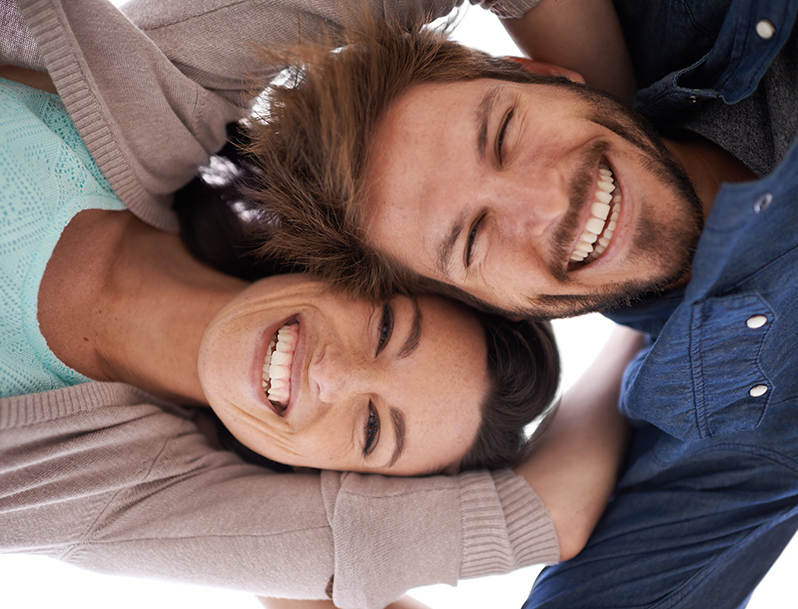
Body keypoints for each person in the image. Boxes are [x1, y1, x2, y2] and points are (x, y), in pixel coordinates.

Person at [0, 1, 637, 608]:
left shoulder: (87, 486)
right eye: (386, 329)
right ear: (361, 267)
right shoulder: (165, 95)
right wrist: (633, 157)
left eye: (370, 428)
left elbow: (549, 513)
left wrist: (650, 333)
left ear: (329, 480)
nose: (332, 374)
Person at [231, 2, 798, 608]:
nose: (551, 201)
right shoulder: (727, 421)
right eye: (474, 238)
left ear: (544, 73)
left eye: (503, 133)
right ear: (497, 307)